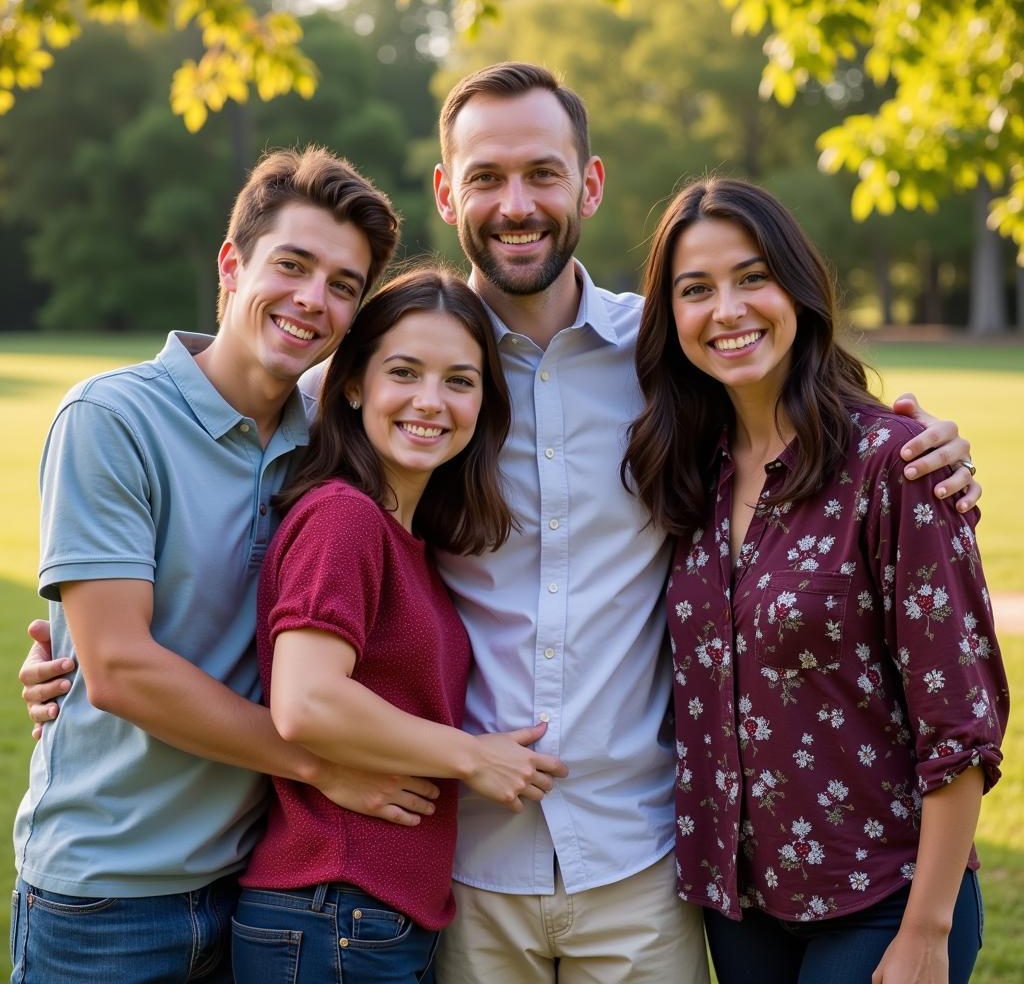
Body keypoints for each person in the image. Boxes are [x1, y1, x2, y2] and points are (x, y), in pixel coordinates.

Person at [21, 63, 982, 984]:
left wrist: (917, 440)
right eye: (486, 177)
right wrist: (82, 650)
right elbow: (185, 611)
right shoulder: (353, 385)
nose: (515, 203)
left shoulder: (670, 360)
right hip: (460, 865)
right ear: (447, 192)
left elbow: (784, 400)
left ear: (590, 185)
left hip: (638, 856)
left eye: (542, 174)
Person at [8, 146, 447, 984]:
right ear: (231, 263)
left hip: (252, 888)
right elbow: (122, 671)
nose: (312, 300)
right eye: (292, 265)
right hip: (107, 898)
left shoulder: (330, 440)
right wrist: (322, 767)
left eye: (344, 286)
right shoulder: (112, 419)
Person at [622, 177, 1008, 984]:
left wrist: (927, 932)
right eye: (697, 290)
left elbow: (961, 723)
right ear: (673, 318)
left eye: (752, 277)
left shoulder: (894, 466)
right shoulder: (690, 477)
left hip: (883, 898)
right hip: (743, 908)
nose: (727, 310)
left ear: (798, 288)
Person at [231, 267, 567, 983]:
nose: (430, 402)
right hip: (331, 913)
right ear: (352, 385)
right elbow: (307, 700)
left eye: (459, 380)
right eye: (404, 372)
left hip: (364, 920)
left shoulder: (408, 540)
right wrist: (471, 757)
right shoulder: (345, 519)